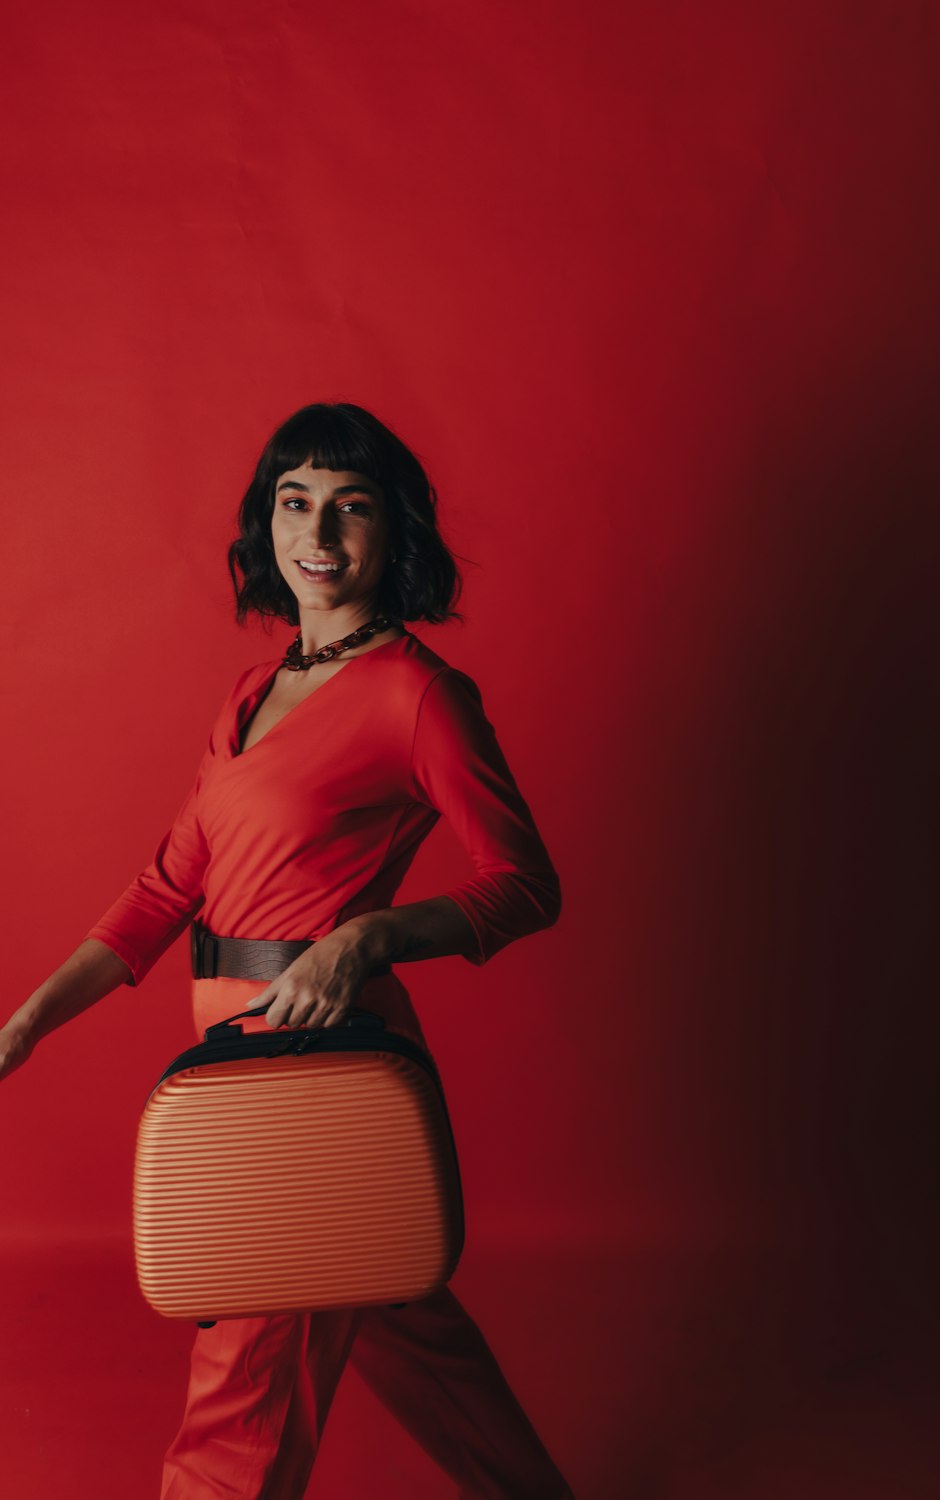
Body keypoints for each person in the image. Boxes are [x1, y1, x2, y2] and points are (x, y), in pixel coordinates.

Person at [0, 401, 575, 1500]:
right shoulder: (249, 696)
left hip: (313, 1063)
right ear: (265, 522)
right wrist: (24, 1024)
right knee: (402, 1313)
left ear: (391, 534)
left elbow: (525, 886)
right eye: (294, 501)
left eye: (351, 507)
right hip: (234, 1052)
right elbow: (166, 887)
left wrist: (369, 936)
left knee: (241, 1394)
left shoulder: (419, 696)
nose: (318, 530)